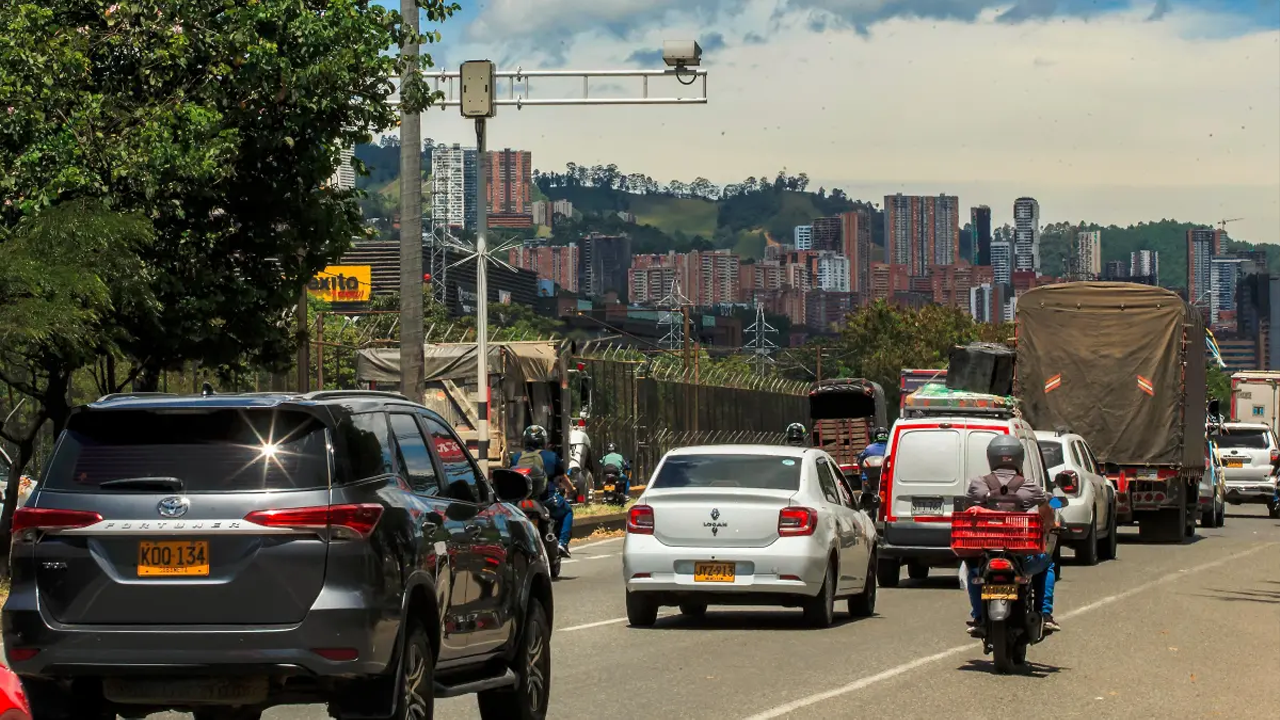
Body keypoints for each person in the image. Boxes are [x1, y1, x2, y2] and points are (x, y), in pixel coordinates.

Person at [962, 435, 1060, 637]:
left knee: (972, 570)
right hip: (1021, 554)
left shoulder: (977, 485)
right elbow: (1046, 513)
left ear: (991, 457)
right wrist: (1050, 526)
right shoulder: (1030, 486)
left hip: (986, 552)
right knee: (1047, 564)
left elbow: (967, 511)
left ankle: (979, 617)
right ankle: (1045, 614)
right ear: (1019, 458)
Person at [510, 425, 573, 557]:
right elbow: (563, 478)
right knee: (567, 511)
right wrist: (571, 490)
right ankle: (562, 543)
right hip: (547, 499)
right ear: (543, 441)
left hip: (520, 501)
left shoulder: (516, 458)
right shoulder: (551, 457)